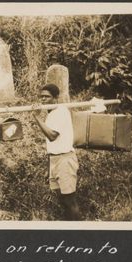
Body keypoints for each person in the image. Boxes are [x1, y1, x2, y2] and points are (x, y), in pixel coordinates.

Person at [32, 84, 81, 220]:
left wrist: (36, 118)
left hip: (65, 159)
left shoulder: (61, 112)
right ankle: (69, 227)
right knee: (62, 199)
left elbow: (52, 136)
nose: (43, 100)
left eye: (47, 97)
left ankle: (80, 232)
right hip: (54, 159)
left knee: (69, 200)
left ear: (56, 98)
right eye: (41, 97)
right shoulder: (51, 113)